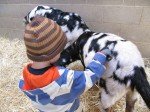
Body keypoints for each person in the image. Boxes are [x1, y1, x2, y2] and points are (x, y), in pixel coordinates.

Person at [19, 16, 113, 112]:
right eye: (60, 49)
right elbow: (89, 77)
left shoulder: (24, 78)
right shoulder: (64, 78)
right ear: (52, 53)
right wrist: (100, 56)